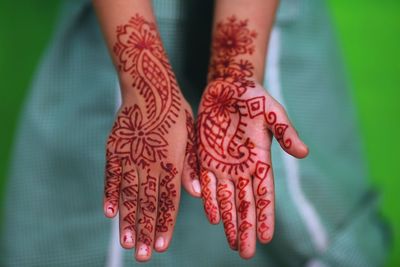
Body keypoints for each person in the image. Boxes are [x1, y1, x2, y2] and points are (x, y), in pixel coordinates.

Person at [1, 0, 389, 266]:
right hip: (115, 26)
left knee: (308, 221)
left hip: (266, 22)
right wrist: (146, 83)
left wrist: (236, 69)